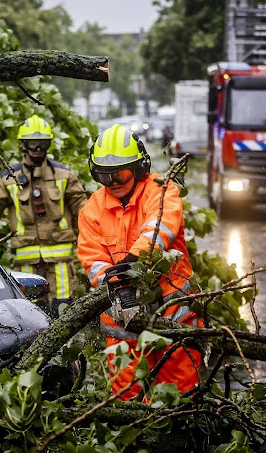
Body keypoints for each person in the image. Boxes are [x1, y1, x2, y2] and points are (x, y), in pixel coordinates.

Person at [77, 124, 201, 399]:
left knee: (179, 394)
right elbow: (92, 258)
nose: (113, 182)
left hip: (172, 310)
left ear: (139, 168)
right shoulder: (92, 209)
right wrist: (114, 283)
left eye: (119, 173)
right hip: (122, 318)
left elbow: (160, 229)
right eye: (104, 175)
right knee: (126, 396)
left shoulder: (161, 190)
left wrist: (135, 261)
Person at [0, 115, 88, 317]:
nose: (38, 150)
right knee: (30, 312)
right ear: (22, 145)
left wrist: (94, 229)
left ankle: (66, 348)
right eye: (33, 144)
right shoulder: (8, 178)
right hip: (26, 262)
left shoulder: (64, 175)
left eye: (43, 144)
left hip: (60, 259)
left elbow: (83, 206)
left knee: (63, 309)